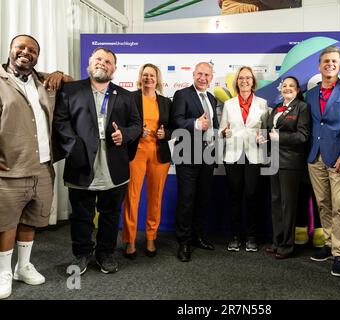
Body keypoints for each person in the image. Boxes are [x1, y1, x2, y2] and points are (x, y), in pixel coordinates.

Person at [53, 47, 141, 275]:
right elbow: (61, 123)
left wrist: (125, 134)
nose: (103, 63)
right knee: (81, 214)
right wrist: (74, 148)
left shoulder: (125, 95)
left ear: (114, 69)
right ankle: (82, 254)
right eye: (99, 59)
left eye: (108, 61)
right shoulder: (70, 90)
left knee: (110, 215)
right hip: (81, 162)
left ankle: (105, 253)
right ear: (89, 65)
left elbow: (136, 126)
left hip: (114, 165)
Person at [0, 34, 72, 299]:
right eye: (20, 47)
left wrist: (60, 73)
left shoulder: (43, 81)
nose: (25, 52)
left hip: (43, 166)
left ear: (37, 57)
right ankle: (3, 272)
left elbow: (77, 84)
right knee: (6, 222)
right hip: (10, 168)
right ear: (10, 50)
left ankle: (23, 266)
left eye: (32, 50)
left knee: (31, 219)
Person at [306, 45, 340, 277]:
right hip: (314, 156)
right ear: (319, 65)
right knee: (323, 204)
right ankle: (328, 245)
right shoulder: (309, 94)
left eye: (334, 62)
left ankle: (339, 253)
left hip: (339, 157)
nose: (329, 64)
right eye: (325, 61)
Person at [122, 64, 172, 259]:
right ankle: (130, 240)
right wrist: (135, 132)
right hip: (136, 153)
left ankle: (151, 237)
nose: (148, 78)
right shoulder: (130, 98)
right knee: (132, 198)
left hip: (159, 155)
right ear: (140, 78)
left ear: (157, 79)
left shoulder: (166, 101)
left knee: (155, 198)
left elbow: (174, 127)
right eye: (145, 75)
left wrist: (164, 133)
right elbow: (124, 125)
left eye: (152, 75)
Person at [171, 62, 219, 262]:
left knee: (203, 198)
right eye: (200, 73)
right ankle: (184, 241)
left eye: (207, 75)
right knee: (187, 199)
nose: (203, 78)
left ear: (211, 77)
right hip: (187, 154)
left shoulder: (212, 98)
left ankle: (198, 236)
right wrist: (195, 124)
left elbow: (213, 126)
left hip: (207, 154)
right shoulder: (182, 95)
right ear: (193, 74)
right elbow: (176, 122)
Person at [219, 66, 269, 252]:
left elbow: (267, 131)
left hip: (254, 154)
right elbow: (222, 130)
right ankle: (234, 236)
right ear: (237, 81)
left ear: (253, 81)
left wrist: (262, 137)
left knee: (252, 196)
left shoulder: (263, 103)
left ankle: (251, 236)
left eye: (248, 78)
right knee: (234, 196)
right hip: (233, 154)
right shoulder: (229, 104)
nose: (244, 81)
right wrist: (224, 132)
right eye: (241, 78)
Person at [261, 76, 310, 259]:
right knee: (276, 203)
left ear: (297, 90)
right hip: (274, 160)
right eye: (284, 86)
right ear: (280, 89)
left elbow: (303, 136)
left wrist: (279, 137)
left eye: (291, 86)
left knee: (288, 205)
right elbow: (271, 131)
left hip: (290, 162)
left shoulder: (302, 107)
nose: (287, 88)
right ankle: (277, 241)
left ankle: (287, 246)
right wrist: (264, 138)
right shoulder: (277, 108)